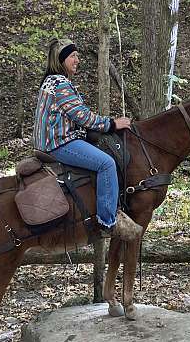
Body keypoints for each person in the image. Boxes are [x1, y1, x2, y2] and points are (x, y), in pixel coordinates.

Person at [33, 38, 141, 239]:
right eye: (73, 56)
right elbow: (81, 115)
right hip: (59, 143)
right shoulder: (59, 83)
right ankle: (107, 222)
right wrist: (112, 124)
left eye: (77, 56)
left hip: (55, 139)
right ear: (61, 59)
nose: (77, 60)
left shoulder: (51, 81)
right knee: (106, 163)